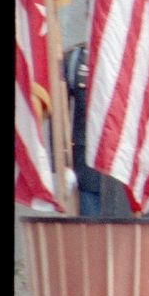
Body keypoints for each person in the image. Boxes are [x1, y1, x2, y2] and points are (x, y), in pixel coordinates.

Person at [63, 40, 103, 217]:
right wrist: (61, 165)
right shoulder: (75, 58)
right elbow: (60, 113)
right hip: (87, 168)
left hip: (124, 172)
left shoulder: (132, 50)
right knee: (90, 235)